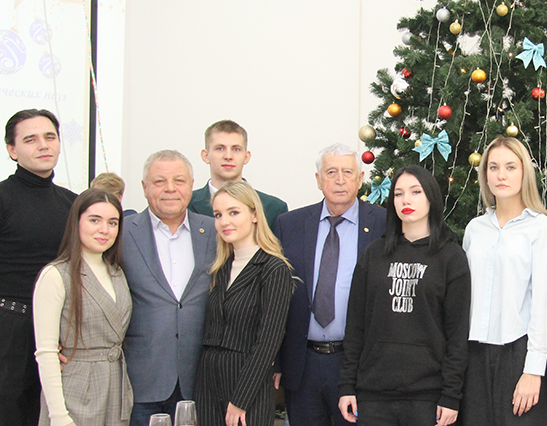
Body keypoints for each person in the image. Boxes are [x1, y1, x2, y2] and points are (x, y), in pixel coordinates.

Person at [338, 165, 470, 426]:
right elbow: (355, 326)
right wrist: (346, 385)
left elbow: (457, 334)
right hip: (373, 394)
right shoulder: (374, 254)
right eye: (398, 194)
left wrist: (451, 395)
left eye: (415, 192)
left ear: (431, 198)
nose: (406, 200)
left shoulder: (451, 257)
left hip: (428, 397)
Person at [273, 144, 386, 426]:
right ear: (318, 179)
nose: (340, 180)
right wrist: (277, 361)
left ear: (360, 179)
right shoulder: (289, 225)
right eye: (331, 172)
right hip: (303, 363)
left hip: (357, 363)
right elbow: (275, 299)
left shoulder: (384, 225)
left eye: (348, 172)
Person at [0, 109, 78, 425]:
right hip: (3, 330)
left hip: (57, 332)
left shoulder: (73, 203)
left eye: (50, 137)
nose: (43, 145)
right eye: (30, 139)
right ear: (12, 150)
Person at [461, 136, 547, 426]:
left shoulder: (543, 229)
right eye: (493, 167)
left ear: (524, 173)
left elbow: (546, 304)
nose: (501, 175)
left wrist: (534, 370)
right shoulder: (475, 229)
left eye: (510, 167)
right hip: (474, 354)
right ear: (485, 175)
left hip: (519, 352)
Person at [122, 150, 216, 426]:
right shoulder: (122, 232)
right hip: (142, 379)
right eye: (159, 181)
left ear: (191, 185)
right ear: (144, 187)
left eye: (179, 180)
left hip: (198, 378)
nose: (170, 188)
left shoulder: (215, 231)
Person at [196, 182, 294, 426]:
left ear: (254, 215)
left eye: (233, 212)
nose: (224, 221)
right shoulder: (220, 267)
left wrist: (241, 399)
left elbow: (268, 342)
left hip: (246, 386)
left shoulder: (273, 268)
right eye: (218, 215)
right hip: (208, 383)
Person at [33, 188, 132, 426]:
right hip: (76, 390)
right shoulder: (56, 274)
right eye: (94, 220)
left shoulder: (116, 272)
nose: (104, 229)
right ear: (76, 222)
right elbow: (46, 353)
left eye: (112, 222)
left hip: (116, 387)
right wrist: (59, 416)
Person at [189, 120, 289, 227]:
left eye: (236, 149)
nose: (228, 156)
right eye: (220, 148)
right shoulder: (187, 205)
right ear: (205, 156)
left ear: (246, 157)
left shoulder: (274, 208)